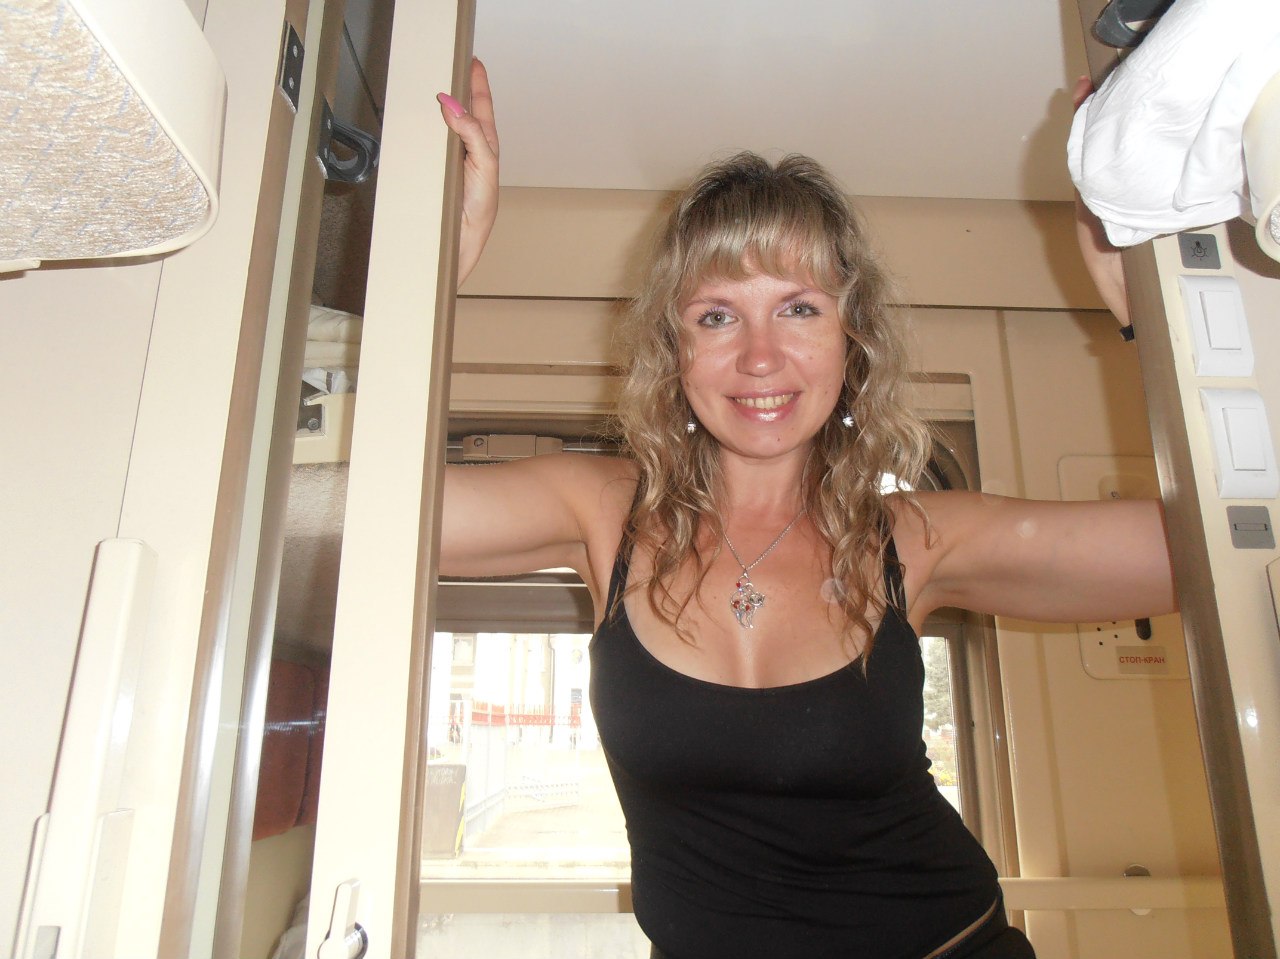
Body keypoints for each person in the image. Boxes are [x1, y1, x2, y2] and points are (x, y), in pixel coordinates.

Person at [436, 61, 1175, 959]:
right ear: (673, 348)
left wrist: (1153, 323)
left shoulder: (914, 541)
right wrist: (432, 275)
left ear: (851, 340)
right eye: (716, 316)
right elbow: (377, 517)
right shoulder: (602, 511)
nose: (759, 357)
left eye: (797, 308)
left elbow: (1207, 552)